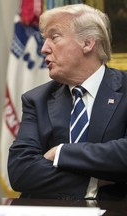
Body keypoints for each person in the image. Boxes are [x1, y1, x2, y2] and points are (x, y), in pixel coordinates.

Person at [8, 4, 127, 200]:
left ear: (88, 43)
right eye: (44, 39)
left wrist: (61, 152)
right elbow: (21, 171)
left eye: (54, 37)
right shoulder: (36, 99)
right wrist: (93, 182)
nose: (44, 49)